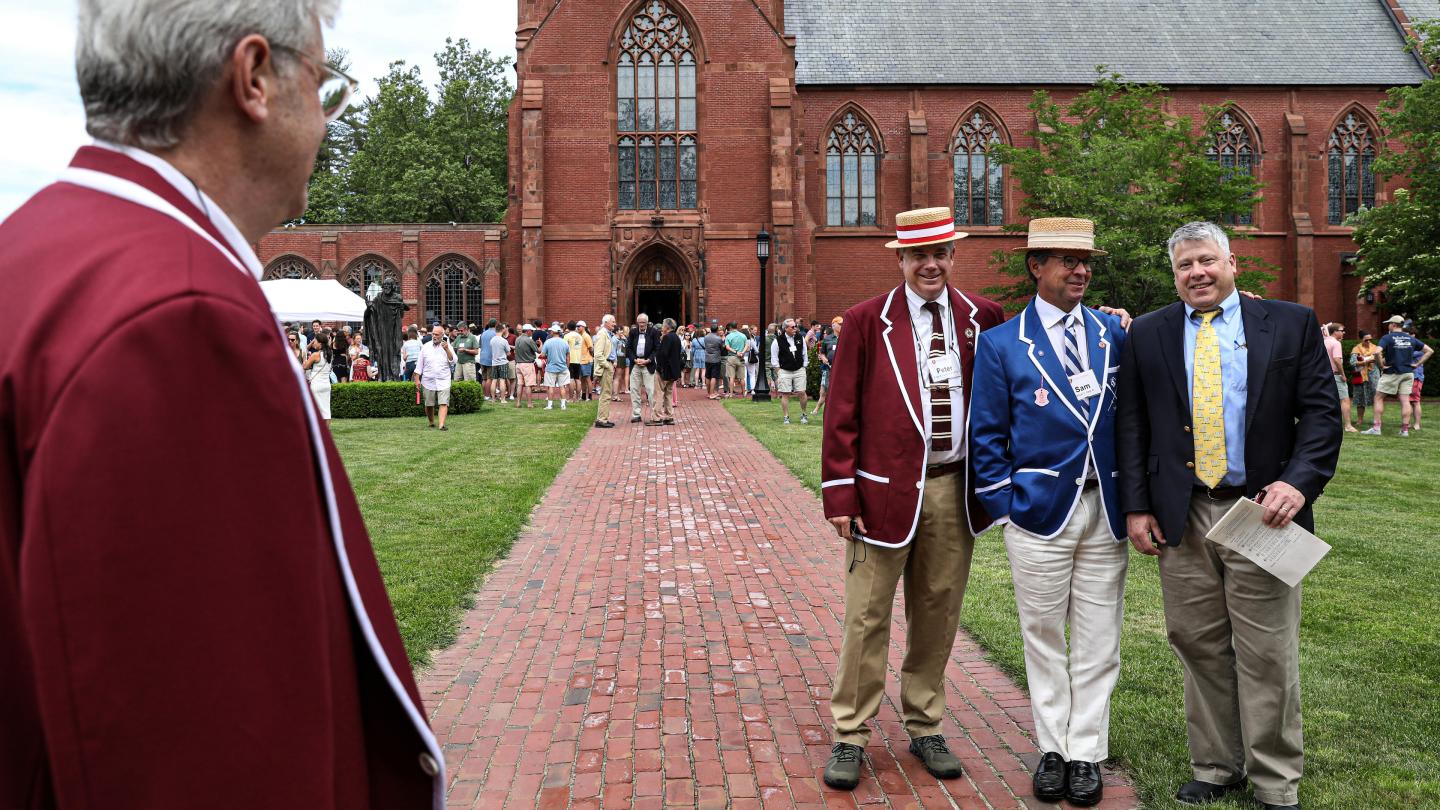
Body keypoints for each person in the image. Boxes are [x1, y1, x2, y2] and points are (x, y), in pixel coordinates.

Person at [0, 1, 446, 805]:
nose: (326, 119)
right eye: (324, 83)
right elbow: (209, 751)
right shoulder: (181, 317)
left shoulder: (33, 253)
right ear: (252, 80)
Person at [1117, 222, 1341, 810]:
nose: (1197, 273)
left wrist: (1298, 484)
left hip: (1261, 513)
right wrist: (1137, 505)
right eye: (1185, 265)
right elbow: (1134, 425)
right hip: (1183, 514)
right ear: (1174, 275)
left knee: (1267, 650)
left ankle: (1273, 779)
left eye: (1207, 261)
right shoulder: (1149, 333)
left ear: (1232, 263)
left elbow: (1320, 416)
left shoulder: (1290, 324)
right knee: (1197, 641)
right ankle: (1216, 764)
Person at [819, 207, 1005, 791]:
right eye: (918, 255)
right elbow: (841, 413)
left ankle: (924, 721)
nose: (931, 264)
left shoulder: (984, 317)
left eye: (941, 253)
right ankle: (851, 732)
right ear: (900, 259)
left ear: (954, 256)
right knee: (867, 616)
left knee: (938, 610)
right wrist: (840, 495)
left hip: (953, 487)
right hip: (881, 494)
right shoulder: (866, 320)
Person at [969, 218, 1128, 807]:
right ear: (1037, 267)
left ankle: (1085, 751)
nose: (1080, 271)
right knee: (1041, 636)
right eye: (1067, 260)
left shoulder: (1115, 335)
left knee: (1099, 639)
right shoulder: (1002, 343)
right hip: (1037, 513)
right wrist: (1005, 507)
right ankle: (1052, 748)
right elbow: (987, 436)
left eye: (1086, 262)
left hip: (1104, 510)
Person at [1362, 315, 1431, 436]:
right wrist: (1417, 364)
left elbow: (1377, 352)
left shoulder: (1387, 338)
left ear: (1393, 325)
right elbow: (1429, 350)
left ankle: (1376, 428)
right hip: (1408, 373)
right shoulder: (1411, 338)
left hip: (1392, 372)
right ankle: (1404, 430)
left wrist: (1381, 366)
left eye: (1389, 323)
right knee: (1405, 400)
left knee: (1378, 398)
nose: (1388, 325)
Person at [414, 325, 455, 430]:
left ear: (442, 335)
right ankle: (431, 422)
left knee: (444, 402)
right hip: (428, 380)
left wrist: (447, 349)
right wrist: (417, 379)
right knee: (429, 404)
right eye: (433, 334)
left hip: (444, 380)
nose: (434, 336)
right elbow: (419, 365)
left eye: (437, 334)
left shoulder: (447, 346)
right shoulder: (425, 347)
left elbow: (453, 361)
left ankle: (441, 425)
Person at [771, 318, 810, 424]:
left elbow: (804, 353)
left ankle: (804, 414)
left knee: (802, 392)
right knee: (785, 393)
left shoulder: (800, 337)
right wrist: (778, 371)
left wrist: (804, 366)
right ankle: (786, 416)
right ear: (785, 328)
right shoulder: (777, 340)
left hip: (799, 369)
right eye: (793, 327)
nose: (795, 328)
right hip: (784, 370)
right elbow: (774, 358)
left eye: (795, 326)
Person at [1322, 323, 1357, 432]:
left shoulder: (1324, 341)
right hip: (1335, 375)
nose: (1343, 332)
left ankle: (1326, 424)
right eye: (1342, 330)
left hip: (1324, 375)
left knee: (1327, 400)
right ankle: (1348, 426)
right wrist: (1343, 374)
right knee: (1345, 400)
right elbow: (1337, 360)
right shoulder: (1336, 343)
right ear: (1335, 331)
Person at [627, 314, 661, 423]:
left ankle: (654, 415)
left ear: (647, 322)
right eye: (639, 322)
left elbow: (657, 348)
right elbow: (628, 348)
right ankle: (636, 414)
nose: (641, 325)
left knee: (651, 390)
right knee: (634, 390)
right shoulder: (633, 332)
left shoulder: (654, 332)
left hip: (648, 364)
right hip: (635, 364)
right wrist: (634, 359)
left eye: (643, 322)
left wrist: (648, 360)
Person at [652, 318, 684, 426]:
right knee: (668, 394)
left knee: (659, 393)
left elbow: (662, 355)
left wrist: (659, 367)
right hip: (673, 371)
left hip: (664, 370)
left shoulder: (667, 337)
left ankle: (657, 417)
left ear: (667, 327)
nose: (662, 327)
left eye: (663, 325)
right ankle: (669, 416)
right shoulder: (676, 337)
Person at [811, 317, 841, 416]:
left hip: (841, 370)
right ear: (833, 325)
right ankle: (819, 410)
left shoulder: (846, 337)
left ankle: (834, 411)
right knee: (824, 390)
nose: (842, 326)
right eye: (840, 324)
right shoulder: (828, 339)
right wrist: (823, 358)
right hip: (828, 369)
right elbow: (822, 352)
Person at [592, 314, 618, 427]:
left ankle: (603, 418)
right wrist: (608, 365)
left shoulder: (607, 333)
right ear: (606, 322)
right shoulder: (602, 334)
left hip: (608, 365)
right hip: (605, 367)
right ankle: (602, 420)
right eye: (613, 322)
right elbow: (598, 354)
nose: (614, 324)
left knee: (606, 393)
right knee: (606, 394)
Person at [1349, 330, 1380, 426]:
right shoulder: (1356, 349)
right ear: (1361, 339)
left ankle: (1377, 421)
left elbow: (1380, 362)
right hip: (1361, 376)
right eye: (1366, 340)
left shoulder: (1375, 348)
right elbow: (1353, 363)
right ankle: (1359, 420)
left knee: (1377, 398)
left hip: (1373, 376)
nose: (1369, 341)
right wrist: (1366, 361)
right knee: (1360, 399)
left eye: (1370, 339)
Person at [303, 332, 334, 420]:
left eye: (315, 341)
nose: (313, 343)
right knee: (326, 410)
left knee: (315, 409)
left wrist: (306, 360)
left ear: (320, 343)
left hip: (316, 384)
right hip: (326, 384)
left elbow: (305, 366)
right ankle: (326, 431)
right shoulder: (330, 353)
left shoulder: (315, 355)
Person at [542, 323, 572, 409]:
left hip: (551, 367)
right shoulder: (564, 342)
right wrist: (567, 366)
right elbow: (568, 356)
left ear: (553, 332)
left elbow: (543, 355)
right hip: (563, 367)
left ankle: (550, 405)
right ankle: (563, 405)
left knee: (550, 387)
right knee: (562, 386)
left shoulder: (548, 342)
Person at [513, 323, 540, 408]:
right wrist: (541, 344)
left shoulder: (517, 339)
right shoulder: (529, 340)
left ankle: (518, 403)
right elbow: (538, 350)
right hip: (527, 364)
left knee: (520, 384)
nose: (532, 332)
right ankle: (529, 403)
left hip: (518, 364)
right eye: (531, 331)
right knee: (528, 385)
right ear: (528, 331)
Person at [1409, 323, 1428, 430]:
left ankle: (1417, 424)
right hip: (1409, 376)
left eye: (1410, 335)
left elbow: (1408, 355)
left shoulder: (1420, 348)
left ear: (1414, 335)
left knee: (1415, 401)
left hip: (1416, 377)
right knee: (1409, 401)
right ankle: (1412, 423)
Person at [488, 324, 512, 399]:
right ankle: (502, 399)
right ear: (502, 330)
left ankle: (493, 399)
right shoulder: (504, 341)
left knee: (494, 380)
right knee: (502, 380)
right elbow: (508, 353)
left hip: (494, 362)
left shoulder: (492, 340)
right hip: (503, 362)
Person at [723, 322, 747, 397]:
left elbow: (727, 347)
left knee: (731, 377)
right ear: (737, 327)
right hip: (741, 357)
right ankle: (743, 393)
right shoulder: (743, 335)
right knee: (742, 377)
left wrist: (736, 352)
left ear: (730, 327)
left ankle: (730, 394)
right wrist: (742, 352)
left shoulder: (728, 336)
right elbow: (747, 345)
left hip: (731, 357)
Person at [702, 325, 725, 399]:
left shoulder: (706, 337)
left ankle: (708, 393)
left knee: (708, 376)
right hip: (715, 359)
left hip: (707, 358)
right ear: (717, 330)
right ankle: (712, 394)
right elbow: (721, 348)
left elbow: (705, 346)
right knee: (714, 376)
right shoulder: (718, 339)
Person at [477, 318, 497, 399]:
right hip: (490, 358)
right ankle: (487, 395)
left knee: (484, 378)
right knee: (490, 378)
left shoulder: (483, 333)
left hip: (482, 358)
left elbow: (480, 345)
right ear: (495, 324)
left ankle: (483, 395)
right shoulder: (495, 334)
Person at [615, 325, 630, 397]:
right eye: (620, 330)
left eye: (622, 330)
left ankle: (618, 392)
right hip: (619, 359)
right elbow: (614, 350)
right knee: (618, 377)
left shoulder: (622, 339)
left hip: (622, 358)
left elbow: (626, 348)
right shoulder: (615, 339)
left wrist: (625, 340)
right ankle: (616, 394)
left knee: (619, 376)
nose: (622, 332)